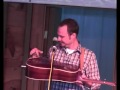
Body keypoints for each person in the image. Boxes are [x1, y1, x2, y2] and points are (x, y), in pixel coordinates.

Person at [30, 18, 101, 90]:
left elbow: (96, 85)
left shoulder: (89, 56)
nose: (58, 39)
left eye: (62, 36)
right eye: (58, 36)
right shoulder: (53, 50)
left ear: (73, 35)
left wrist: (86, 82)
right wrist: (36, 59)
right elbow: (44, 72)